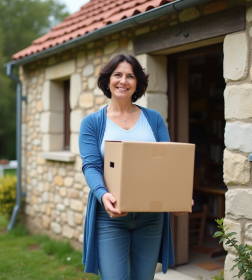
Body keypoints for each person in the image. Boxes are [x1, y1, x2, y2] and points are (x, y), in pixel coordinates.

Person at [79, 54, 190, 279]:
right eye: (117, 74)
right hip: (110, 217)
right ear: (107, 80)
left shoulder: (153, 119)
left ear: (137, 83)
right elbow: (91, 166)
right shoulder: (92, 123)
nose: (123, 81)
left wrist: (175, 197)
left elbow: (168, 163)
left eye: (130, 76)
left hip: (151, 218)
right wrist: (102, 195)